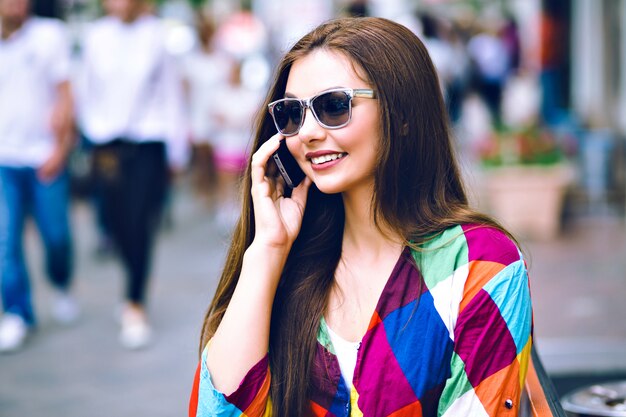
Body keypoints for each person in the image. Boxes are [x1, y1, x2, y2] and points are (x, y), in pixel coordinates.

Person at [189, 17, 533, 416]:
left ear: (402, 114)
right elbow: (217, 411)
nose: (307, 133)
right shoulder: (288, 266)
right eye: (292, 114)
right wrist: (267, 249)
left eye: (334, 106)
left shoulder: (481, 265)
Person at [77, 0, 188, 349]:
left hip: (147, 142)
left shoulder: (156, 35)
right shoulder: (95, 36)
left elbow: (172, 94)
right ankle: (131, 282)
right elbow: (85, 89)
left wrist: (177, 149)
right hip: (106, 145)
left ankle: (135, 302)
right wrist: (92, 133)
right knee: (115, 222)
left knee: (140, 222)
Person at [0, 0, 78, 352]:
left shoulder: (49, 35)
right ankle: (18, 312)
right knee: (5, 241)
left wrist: (60, 150)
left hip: (45, 157)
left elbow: (65, 95)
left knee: (56, 234)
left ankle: (61, 282)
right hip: (4, 161)